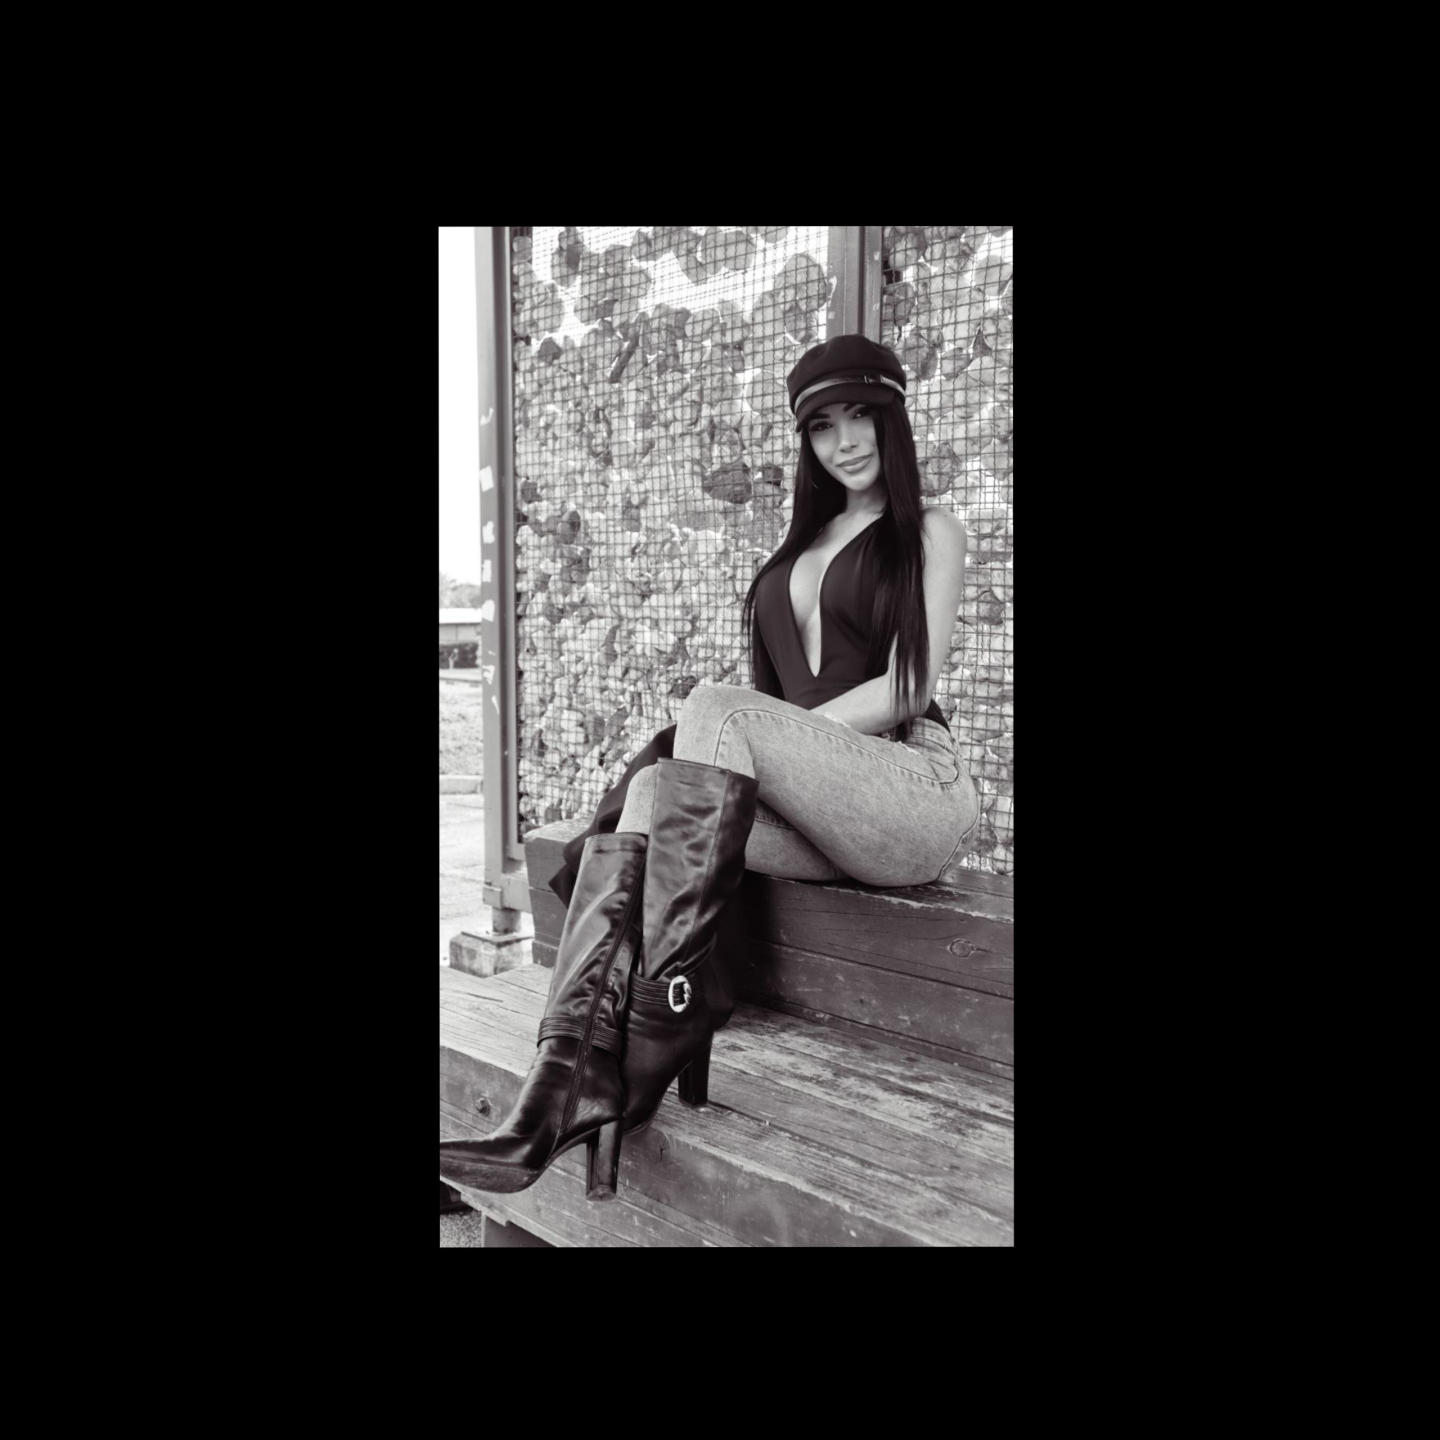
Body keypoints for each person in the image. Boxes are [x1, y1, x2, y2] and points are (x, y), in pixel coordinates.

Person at [439, 333, 981, 1203]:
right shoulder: (795, 552)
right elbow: (756, 723)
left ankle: (654, 1034)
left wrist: (767, 740)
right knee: (660, 788)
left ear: (893, 419)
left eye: (861, 417)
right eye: (822, 426)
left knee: (711, 710)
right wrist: (754, 750)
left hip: (913, 791)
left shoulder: (930, 530)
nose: (844, 441)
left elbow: (906, 689)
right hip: (816, 816)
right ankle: (566, 1076)